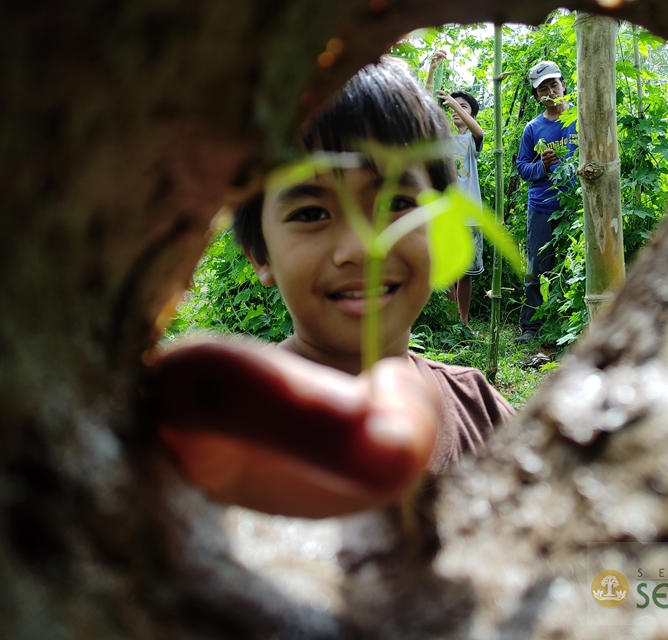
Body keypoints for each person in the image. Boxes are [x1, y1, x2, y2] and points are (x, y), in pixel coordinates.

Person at [148, 57, 514, 519]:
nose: (362, 248)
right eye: (311, 213)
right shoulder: (224, 420)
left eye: (397, 203)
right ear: (260, 255)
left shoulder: (483, 412)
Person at [514, 60, 579, 344]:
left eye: (554, 84)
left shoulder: (582, 118)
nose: (550, 91)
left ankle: (572, 324)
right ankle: (531, 326)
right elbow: (522, 169)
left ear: (564, 84)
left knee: (574, 266)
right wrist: (541, 166)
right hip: (542, 206)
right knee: (538, 266)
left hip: (577, 205)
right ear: (536, 95)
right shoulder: (533, 128)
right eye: (543, 88)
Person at [425, 49, 485, 326]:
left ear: (470, 112)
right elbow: (425, 106)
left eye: (464, 107)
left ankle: (464, 321)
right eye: (453, 107)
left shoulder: (471, 141)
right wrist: (433, 70)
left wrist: (453, 101)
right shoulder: (441, 138)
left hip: (470, 213)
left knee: (466, 273)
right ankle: (451, 321)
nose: (457, 111)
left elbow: (480, 132)